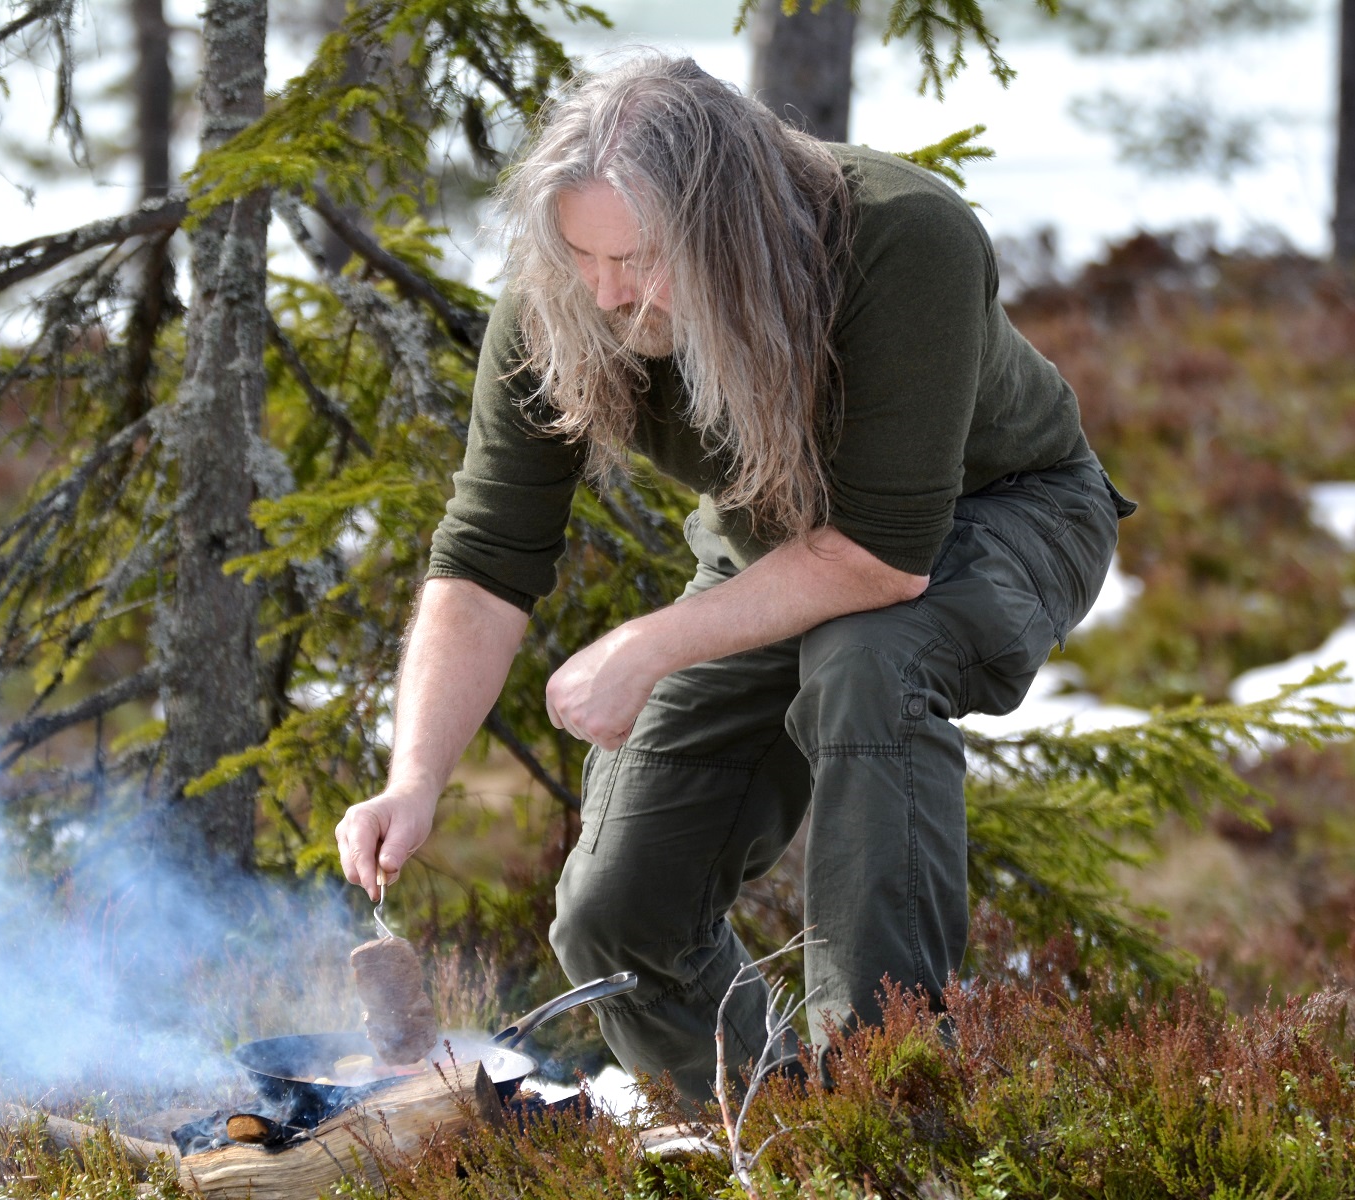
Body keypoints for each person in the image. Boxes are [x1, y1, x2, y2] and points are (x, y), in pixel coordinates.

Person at [336, 53, 1135, 1105]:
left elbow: (882, 558)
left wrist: (647, 646)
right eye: (583, 255)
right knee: (617, 915)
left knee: (870, 658)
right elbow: (485, 557)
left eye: (640, 258)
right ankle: (778, 1129)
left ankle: (895, 1109)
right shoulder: (569, 303)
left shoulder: (902, 238)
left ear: (733, 225)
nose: (609, 293)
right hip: (775, 544)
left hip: (1001, 511)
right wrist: (415, 778)